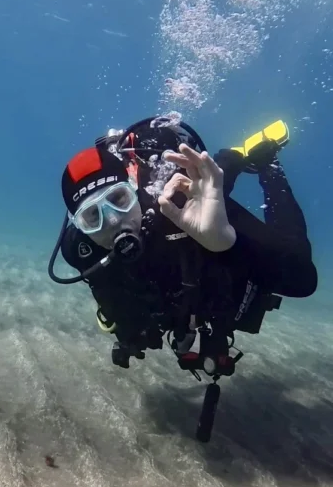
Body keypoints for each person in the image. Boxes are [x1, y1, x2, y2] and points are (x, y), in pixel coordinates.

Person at [48, 116, 317, 436]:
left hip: (189, 207)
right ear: (79, 226)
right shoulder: (80, 250)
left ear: (133, 188)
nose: (114, 222)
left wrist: (227, 243)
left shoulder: (179, 200)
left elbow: (303, 279)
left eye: (119, 200)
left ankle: (260, 161)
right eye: (93, 217)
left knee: (215, 179)